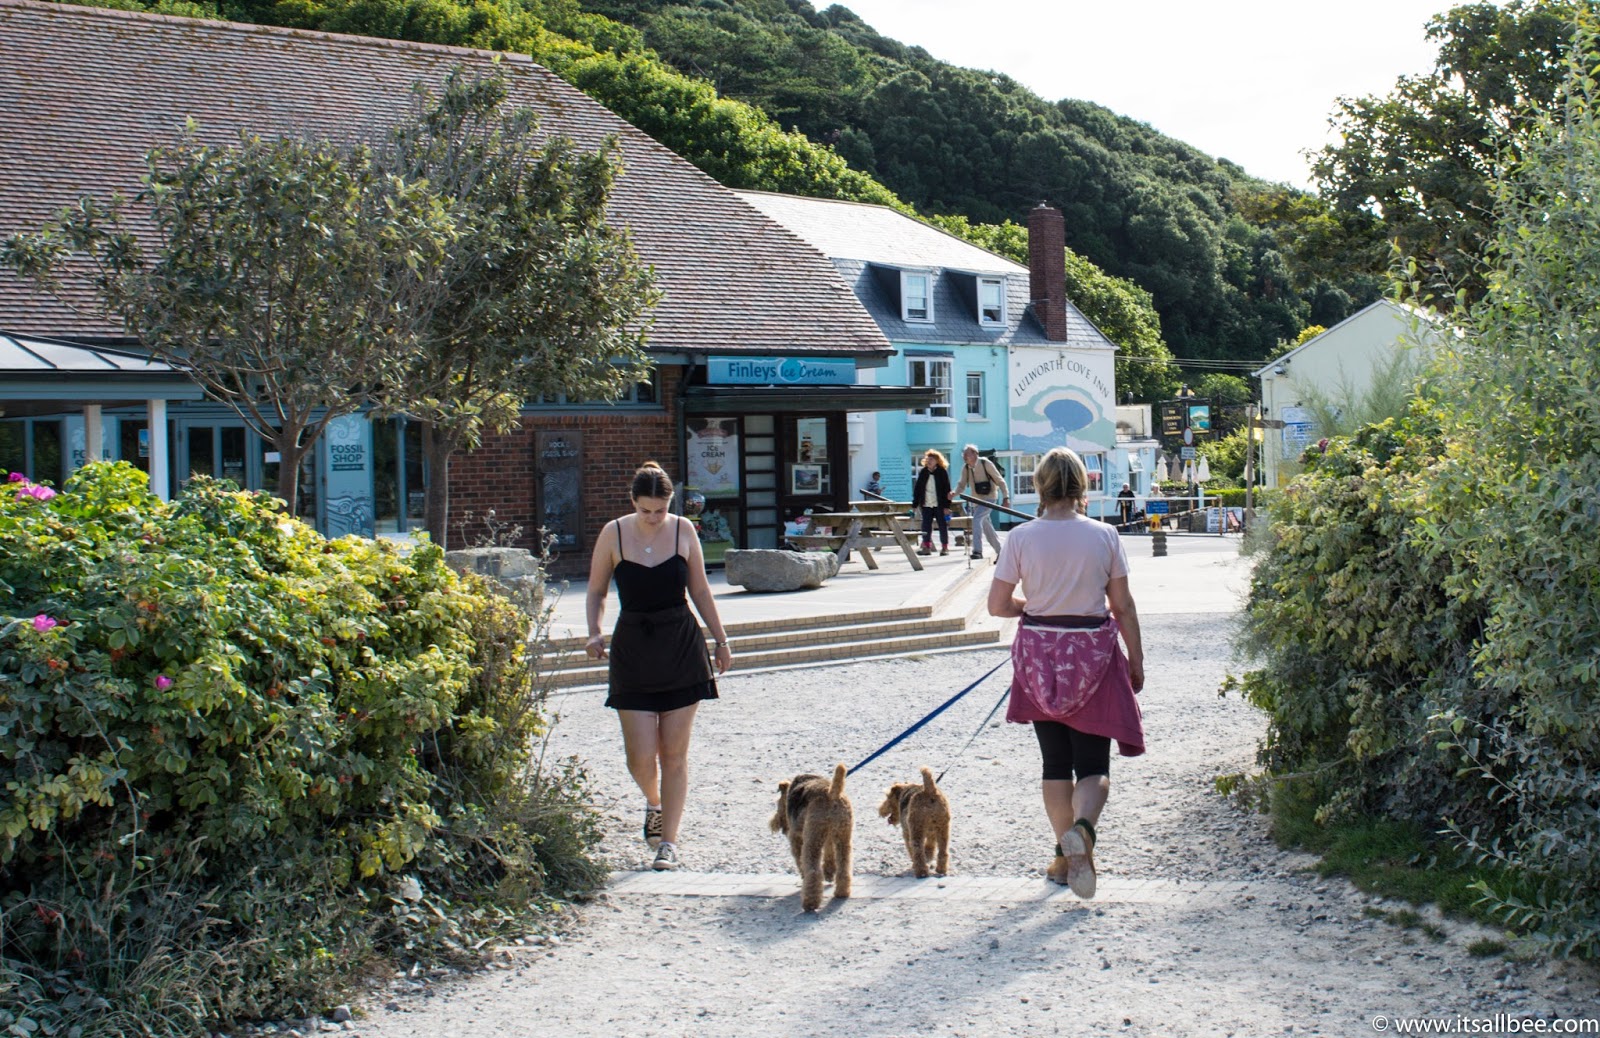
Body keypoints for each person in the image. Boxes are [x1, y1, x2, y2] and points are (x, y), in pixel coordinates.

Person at [987, 447, 1145, 899]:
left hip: (1039, 658)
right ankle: (1082, 832)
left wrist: (1034, 607)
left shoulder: (1020, 537)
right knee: (1093, 764)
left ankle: (1062, 857)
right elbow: (1122, 605)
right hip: (1093, 655)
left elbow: (998, 606)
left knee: (1055, 763)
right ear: (1082, 485)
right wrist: (1136, 659)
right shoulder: (1104, 535)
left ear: (1040, 485)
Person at [586, 461, 733, 872]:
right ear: (633, 502)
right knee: (639, 756)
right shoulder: (613, 533)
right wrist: (594, 631)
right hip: (633, 647)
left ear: (671, 503)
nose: (653, 517)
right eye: (646, 510)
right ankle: (654, 802)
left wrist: (721, 640)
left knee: (674, 754)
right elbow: (596, 590)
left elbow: (700, 589)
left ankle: (668, 841)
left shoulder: (684, 530)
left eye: (661, 510)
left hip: (681, 646)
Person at [949, 444, 1010, 562]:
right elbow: (961, 485)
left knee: (976, 519)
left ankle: (977, 551)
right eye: (963, 454)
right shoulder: (966, 468)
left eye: (967, 454)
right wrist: (954, 493)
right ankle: (1001, 553)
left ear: (975, 454)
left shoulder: (985, 463)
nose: (964, 456)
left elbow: (1000, 481)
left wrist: (1006, 497)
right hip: (977, 501)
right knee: (987, 528)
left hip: (990, 498)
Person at [911, 449, 952, 556]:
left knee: (942, 526)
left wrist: (947, 506)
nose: (929, 461)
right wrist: (915, 504)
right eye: (928, 459)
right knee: (926, 526)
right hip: (926, 504)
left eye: (932, 459)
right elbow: (918, 489)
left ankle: (944, 548)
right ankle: (927, 547)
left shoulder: (942, 472)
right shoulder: (923, 472)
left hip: (939, 504)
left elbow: (947, 489)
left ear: (937, 461)